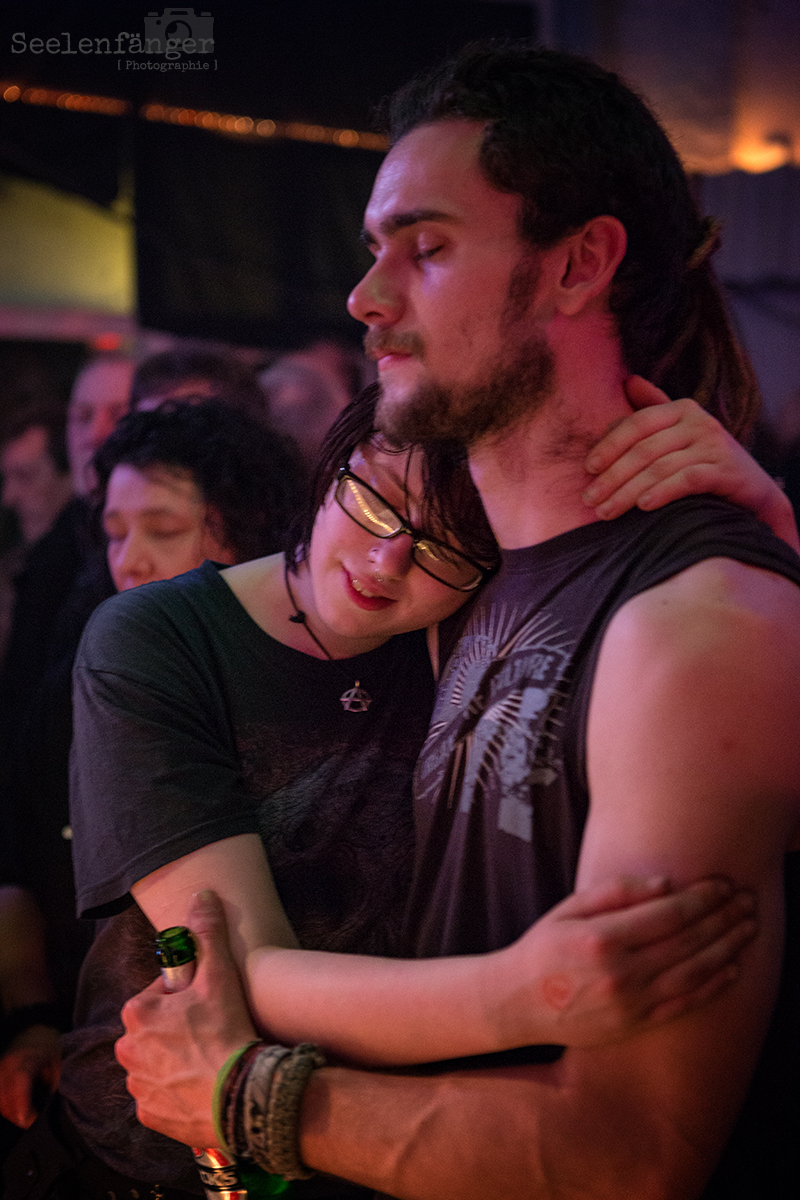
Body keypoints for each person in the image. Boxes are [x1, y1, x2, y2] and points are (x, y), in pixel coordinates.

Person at [113, 42, 800, 1200]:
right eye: (372, 250)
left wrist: (252, 1098)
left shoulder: (692, 625)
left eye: (425, 249)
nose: (365, 298)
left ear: (578, 264)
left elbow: (631, 1153)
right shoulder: (467, 586)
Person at [4, 372, 784, 1200]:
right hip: (151, 1161)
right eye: (376, 504)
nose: (387, 562)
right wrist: (529, 992)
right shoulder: (156, 634)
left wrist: (763, 536)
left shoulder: (468, 639)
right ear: (332, 466)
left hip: (381, 1157)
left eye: (447, 548)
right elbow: (235, 965)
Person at [0, 402, 305, 1143]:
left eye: (162, 529)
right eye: (114, 532)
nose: (129, 560)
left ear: (248, 530)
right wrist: (32, 1019)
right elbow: (17, 859)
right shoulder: (83, 680)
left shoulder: (298, 683)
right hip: (96, 1077)